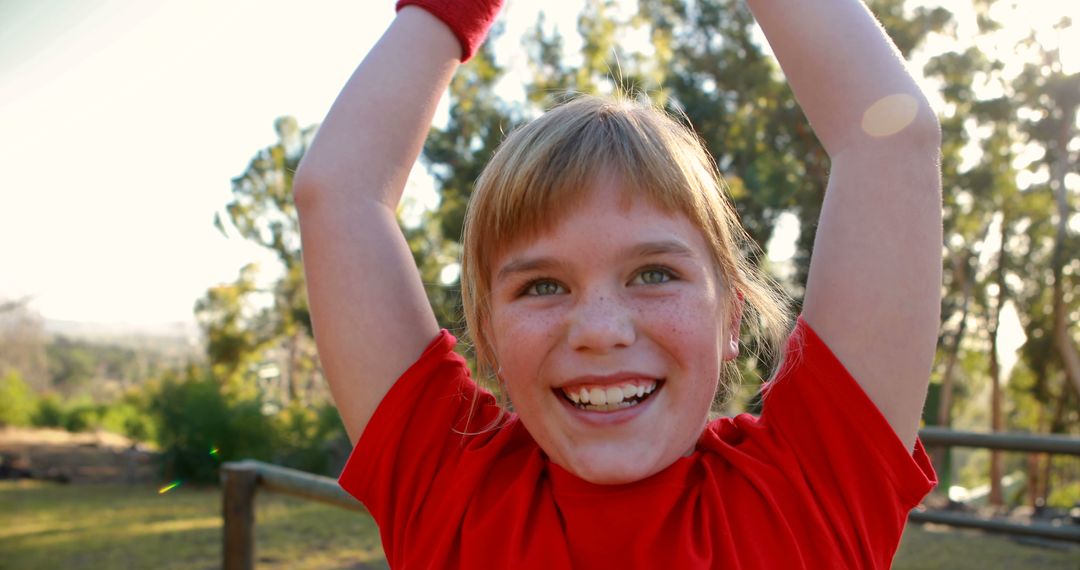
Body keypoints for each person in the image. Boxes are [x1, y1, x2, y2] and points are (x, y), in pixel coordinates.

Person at [293, 0, 942, 567]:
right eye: (542, 286)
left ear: (731, 318)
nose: (601, 331)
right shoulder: (449, 491)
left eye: (654, 274)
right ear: (487, 333)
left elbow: (891, 134)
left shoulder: (813, 495)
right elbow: (339, 192)